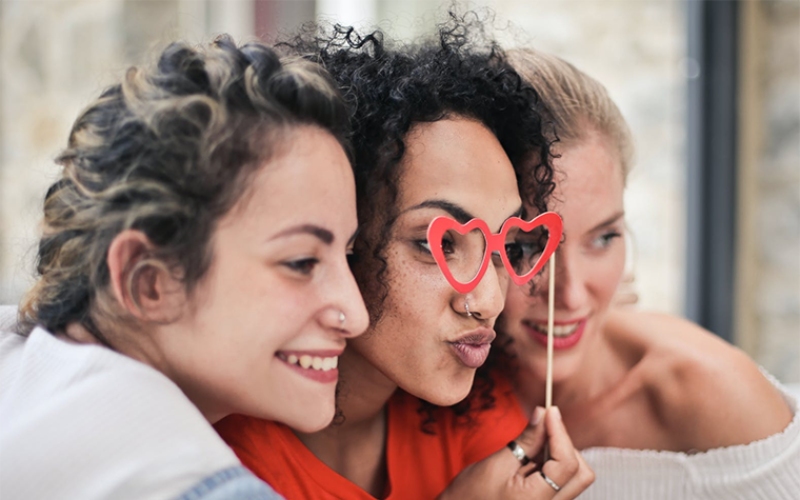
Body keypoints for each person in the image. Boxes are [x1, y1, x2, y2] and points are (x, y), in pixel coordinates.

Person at [216, 18, 594, 500]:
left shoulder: (476, 415)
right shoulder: (225, 463)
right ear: (342, 236)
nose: (488, 301)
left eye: (506, 246)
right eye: (440, 244)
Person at [0, 35, 369, 499]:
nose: (356, 315)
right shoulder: (195, 484)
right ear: (149, 281)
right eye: (301, 262)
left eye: (348, 255)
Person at [496, 47, 799, 499]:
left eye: (603, 238)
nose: (574, 295)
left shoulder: (710, 395)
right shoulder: (433, 387)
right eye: (524, 248)